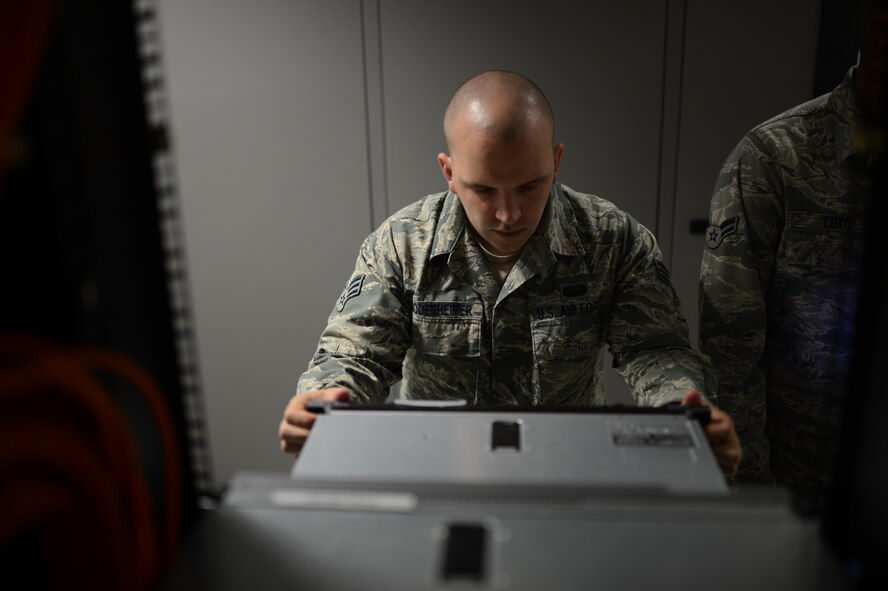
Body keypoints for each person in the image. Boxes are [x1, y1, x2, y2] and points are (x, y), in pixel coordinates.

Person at [281, 70, 740, 476]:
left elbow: (655, 352)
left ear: (556, 161)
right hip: (434, 468)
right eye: (483, 189)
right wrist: (325, 401)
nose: (508, 214)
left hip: (567, 470)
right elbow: (357, 354)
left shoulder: (612, 241)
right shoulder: (402, 246)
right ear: (449, 172)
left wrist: (682, 408)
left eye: (530, 185)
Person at [699, 1, 886, 507]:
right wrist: (751, 486)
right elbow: (731, 345)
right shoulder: (776, 157)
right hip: (803, 474)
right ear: (880, 30)